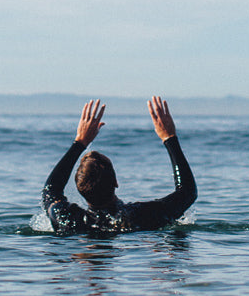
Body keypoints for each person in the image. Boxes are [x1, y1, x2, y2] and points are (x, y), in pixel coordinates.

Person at [42, 96, 196, 236]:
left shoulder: (68, 219)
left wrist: (79, 143)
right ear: (116, 182)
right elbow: (188, 192)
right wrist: (169, 138)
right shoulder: (142, 215)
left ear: (79, 188)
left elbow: (50, 191)